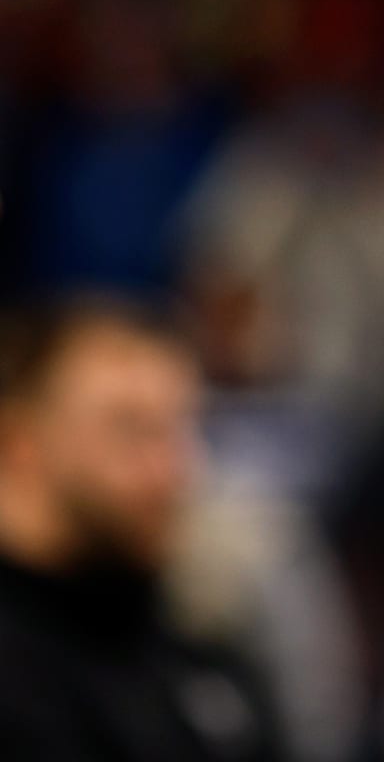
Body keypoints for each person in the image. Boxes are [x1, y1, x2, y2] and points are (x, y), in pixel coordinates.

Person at [0, 298, 286, 761]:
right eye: (130, 430)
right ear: (19, 442)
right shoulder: (20, 678)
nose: (172, 470)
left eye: (181, 428)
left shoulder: (204, 663)